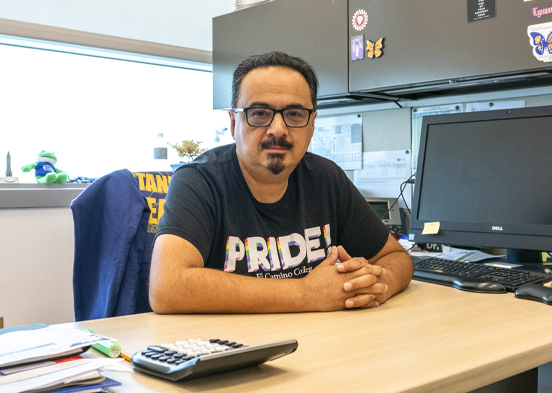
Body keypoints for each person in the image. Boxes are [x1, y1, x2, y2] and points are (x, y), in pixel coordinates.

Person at [149, 51, 413, 314]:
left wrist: (380, 283)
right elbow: (167, 286)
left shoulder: (326, 179)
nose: (278, 129)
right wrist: (305, 293)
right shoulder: (198, 181)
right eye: (260, 113)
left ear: (312, 125)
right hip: (232, 348)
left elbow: (396, 257)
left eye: (295, 114)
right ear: (233, 123)